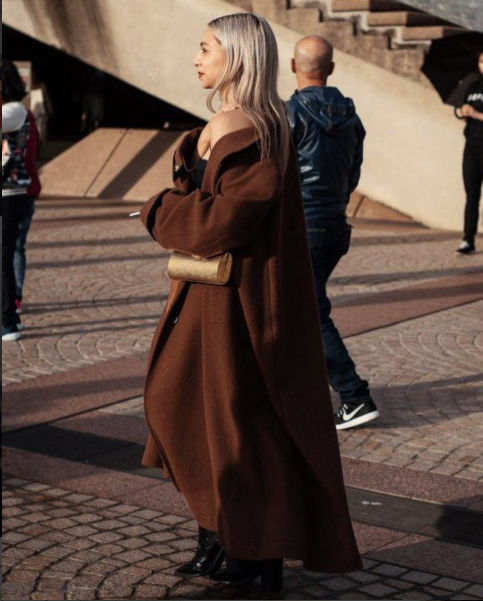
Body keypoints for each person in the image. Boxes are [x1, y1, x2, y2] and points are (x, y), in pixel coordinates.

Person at [139, 13, 361, 593]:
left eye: (206, 47)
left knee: (230, 421)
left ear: (237, 56)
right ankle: (223, 538)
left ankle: (254, 554)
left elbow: (223, 221)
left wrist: (158, 209)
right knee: (204, 414)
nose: (196, 57)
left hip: (234, 303)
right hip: (219, 296)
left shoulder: (251, 127)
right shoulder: (244, 122)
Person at [286, 36, 379, 430]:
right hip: (335, 228)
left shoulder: (289, 113)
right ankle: (293, 390)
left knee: (309, 313)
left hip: (301, 227)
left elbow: (275, 175)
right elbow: (352, 176)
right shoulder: (352, 118)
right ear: (332, 69)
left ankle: (355, 395)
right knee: (296, 309)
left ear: (293, 65)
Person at [2, 59, 41, 341]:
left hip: (12, 195)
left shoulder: (14, 110)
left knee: (7, 254)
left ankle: (8, 320)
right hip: (12, 194)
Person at [455, 52, 483, 255]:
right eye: (482, 61)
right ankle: (468, 239)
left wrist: (476, 114)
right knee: (471, 196)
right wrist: (463, 113)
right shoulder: (473, 86)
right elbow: (463, 111)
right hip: (471, 147)